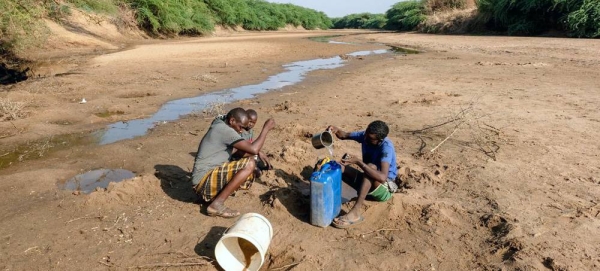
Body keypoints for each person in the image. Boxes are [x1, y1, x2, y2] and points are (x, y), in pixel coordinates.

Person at [191, 107, 275, 218]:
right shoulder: (224, 130)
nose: (241, 131)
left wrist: (257, 153)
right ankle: (216, 205)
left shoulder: (221, 126)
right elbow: (253, 149)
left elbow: (239, 153)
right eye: (240, 127)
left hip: (205, 179)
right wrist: (265, 129)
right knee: (249, 164)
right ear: (232, 121)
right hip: (202, 181)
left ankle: (213, 197)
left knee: (250, 166)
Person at [326, 120, 398, 228]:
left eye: (370, 139)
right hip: (367, 182)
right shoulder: (366, 135)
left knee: (371, 166)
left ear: (379, 140)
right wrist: (335, 130)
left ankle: (355, 212)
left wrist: (359, 162)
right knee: (337, 166)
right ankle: (325, 198)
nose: (365, 139)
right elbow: (344, 135)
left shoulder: (386, 147)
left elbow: (383, 177)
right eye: (365, 135)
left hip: (383, 189)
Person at [236, 109, 272, 177]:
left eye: (253, 123)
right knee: (258, 172)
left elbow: (252, 144)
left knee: (264, 164)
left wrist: (258, 152)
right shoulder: (240, 132)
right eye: (250, 121)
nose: (251, 124)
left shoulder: (250, 131)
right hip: (241, 156)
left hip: (250, 154)